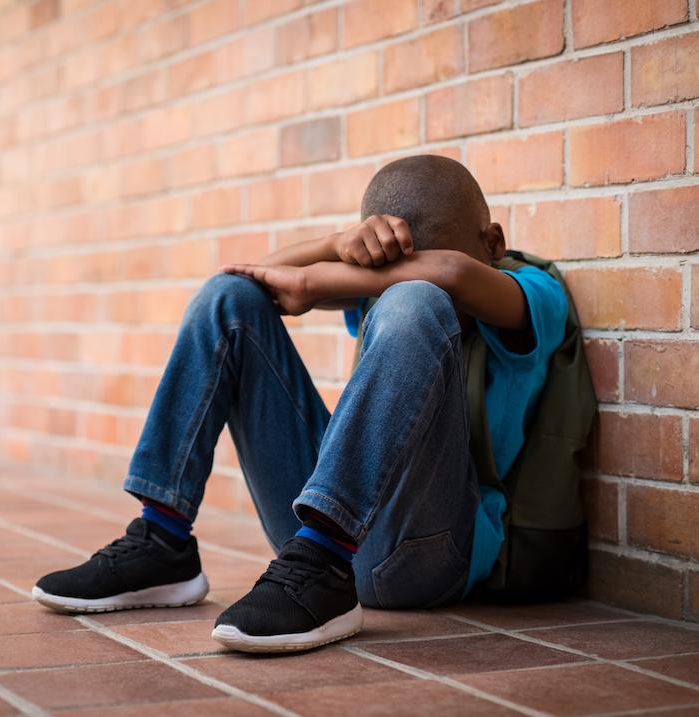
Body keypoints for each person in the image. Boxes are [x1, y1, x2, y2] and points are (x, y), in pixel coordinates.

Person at [32, 155, 568, 653]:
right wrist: (340, 243)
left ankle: (325, 565)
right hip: (312, 539)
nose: (390, 282)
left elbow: (449, 274)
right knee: (229, 298)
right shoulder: (381, 287)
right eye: (390, 270)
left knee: (417, 299)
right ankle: (163, 537)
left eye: (400, 269)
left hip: (430, 555)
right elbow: (254, 276)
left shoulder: (531, 293)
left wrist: (316, 280)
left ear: (493, 242)